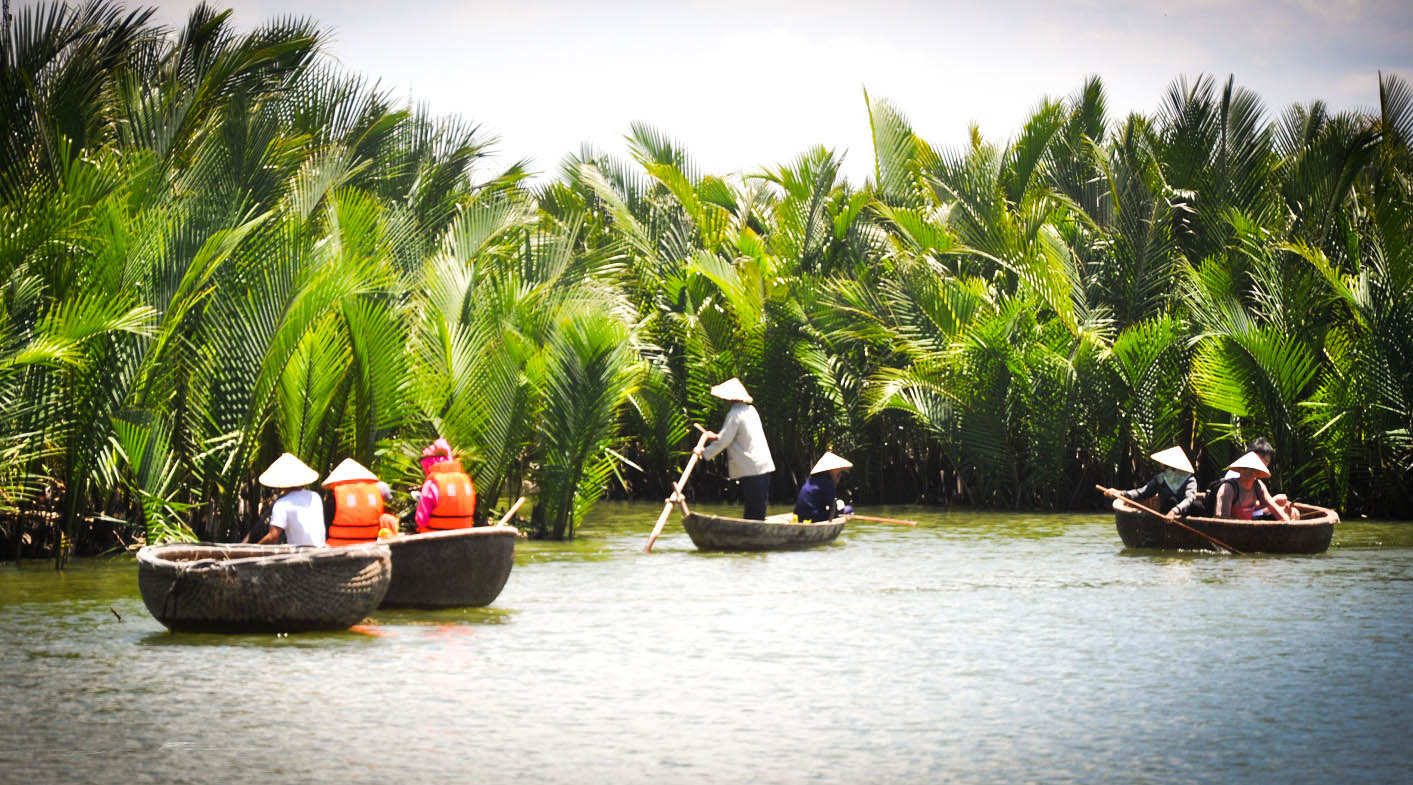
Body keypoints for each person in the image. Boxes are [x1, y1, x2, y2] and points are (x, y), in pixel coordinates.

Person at [696, 377, 775, 520]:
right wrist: (716, 437)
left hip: (751, 468)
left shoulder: (734, 414)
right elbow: (734, 435)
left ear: (730, 399)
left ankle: (751, 538)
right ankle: (753, 537)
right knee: (757, 508)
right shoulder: (751, 410)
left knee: (753, 511)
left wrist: (704, 453)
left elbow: (725, 440)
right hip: (762, 466)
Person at [322, 458, 401, 546]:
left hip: (338, 547)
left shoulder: (334, 495)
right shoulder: (375, 491)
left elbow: (325, 524)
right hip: (370, 545)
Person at [255, 452, 326, 546]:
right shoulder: (315, 497)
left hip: (300, 556)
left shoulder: (282, 504)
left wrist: (255, 548)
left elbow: (273, 537)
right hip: (320, 552)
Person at [1221, 437, 1299, 520]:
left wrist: (1286, 520)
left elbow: (1264, 504)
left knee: (1292, 511)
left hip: (1249, 516)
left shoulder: (1257, 483)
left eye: (1267, 462)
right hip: (1238, 521)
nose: (1248, 472)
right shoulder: (1230, 485)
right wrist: (1274, 500)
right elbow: (1224, 515)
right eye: (1261, 459)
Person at [1114, 446, 1200, 520]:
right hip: (1165, 514)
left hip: (1183, 514)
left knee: (1197, 506)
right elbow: (1143, 492)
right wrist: (1121, 493)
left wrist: (1175, 511)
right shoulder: (1160, 479)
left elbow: (1189, 499)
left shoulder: (1189, 480)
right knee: (1170, 501)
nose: (1161, 465)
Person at [415, 437, 476, 532]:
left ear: (429, 463)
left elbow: (421, 519)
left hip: (435, 541)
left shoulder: (432, 483)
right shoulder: (466, 480)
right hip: (463, 539)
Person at [1214, 452, 1290, 521]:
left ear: (1257, 473)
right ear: (1239, 469)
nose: (1248, 472)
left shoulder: (1258, 485)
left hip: (1248, 526)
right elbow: (1222, 517)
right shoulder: (1228, 488)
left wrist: (1287, 522)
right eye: (1245, 468)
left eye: (1253, 470)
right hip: (1229, 530)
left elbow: (1273, 506)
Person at [794, 451, 855, 523]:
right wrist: (842, 511)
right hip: (814, 518)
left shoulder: (812, 479)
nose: (839, 475)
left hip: (799, 517)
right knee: (849, 509)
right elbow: (833, 508)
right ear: (830, 470)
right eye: (838, 473)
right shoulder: (827, 482)